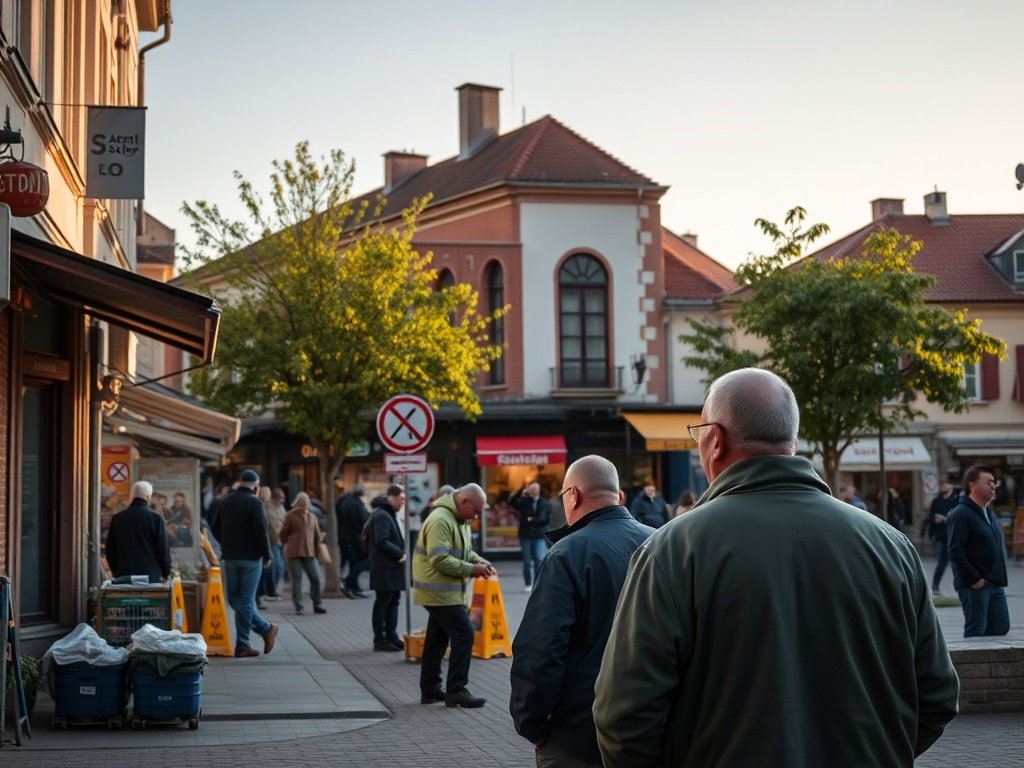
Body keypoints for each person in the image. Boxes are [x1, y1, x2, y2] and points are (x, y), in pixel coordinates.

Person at [593, 368, 959, 767]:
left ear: (715, 440)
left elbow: (624, 718)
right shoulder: (892, 547)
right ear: (794, 443)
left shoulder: (670, 551)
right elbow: (937, 696)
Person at [510, 456, 654, 766]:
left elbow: (541, 650)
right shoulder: (661, 543)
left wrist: (531, 725)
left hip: (578, 736)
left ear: (573, 495)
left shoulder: (566, 554)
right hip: (651, 729)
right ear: (619, 497)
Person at [413, 483, 496, 708]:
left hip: (443, 591)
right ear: (464, 502)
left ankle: (430, 688)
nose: (477, 516)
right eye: (476, 510)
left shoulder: (460, 519)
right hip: (439, 591)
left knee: (437, 638)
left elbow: (464, 552)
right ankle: (456, 690)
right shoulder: (441, 519)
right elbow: (439, 559)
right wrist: (472, 569)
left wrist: (478, 561)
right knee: (465, 633)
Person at [210, 469, 279, 658]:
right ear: (256, 487)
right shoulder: (254, 502)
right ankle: (261, 632)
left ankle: (246, 643)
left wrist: (226, 542)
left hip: (230, 558)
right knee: (246, 600)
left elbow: (214, 527)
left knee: (234, 599)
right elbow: (261, 531)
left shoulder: (226, 500)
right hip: (251, 559)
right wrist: (266, 555)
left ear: (240, 482)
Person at [947, 465, 1010, 637]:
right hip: (975, 585)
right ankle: (968, 664)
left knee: (1000, 627)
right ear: (972, 486)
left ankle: (990, 665)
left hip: (995, 583)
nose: (993, 486)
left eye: (994, 483)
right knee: (976, 632)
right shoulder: (961, 514)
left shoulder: (988, 513)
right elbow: (955, 550)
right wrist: (974, 578)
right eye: (989, 482)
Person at [105, 480, 171, 585]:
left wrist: (116, 572)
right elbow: (162, 549)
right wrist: (166, 572)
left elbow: (110, 550)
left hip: (124, 578)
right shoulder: (156, 518)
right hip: (151, 578)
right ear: (148, 497)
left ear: (132, 497)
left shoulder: (118, 519)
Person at [368, 484, 407, 651]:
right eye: (401, 498)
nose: (403, 502)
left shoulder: (387, 513)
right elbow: (382, 540)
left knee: (393, 601)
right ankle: (380, 639)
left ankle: (391, 636)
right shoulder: (383, 515)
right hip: (385, 567)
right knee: (383, 602)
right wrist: (400, 554)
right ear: (391, 497)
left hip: (390, 567)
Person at [277, 491, 327, 616]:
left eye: (307, 501)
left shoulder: (312, 516)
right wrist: (289, 542)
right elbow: (283, 533)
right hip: (293, 552)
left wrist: (320, 538)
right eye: (303, 501)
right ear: (298, 502)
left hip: (310, 552)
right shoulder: (290, 515)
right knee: (297, 579)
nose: (305, 503)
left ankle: (317, 603)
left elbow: (317, 533)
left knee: (315, 578)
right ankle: (299, 606)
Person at [510, 481, 552, 593]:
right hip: (525, 535)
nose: (534, 492)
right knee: (527, 561)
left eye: (535, 489)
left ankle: (537, 583)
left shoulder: (544, 502)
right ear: (529, 490)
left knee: (539, 559)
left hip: (538, 535)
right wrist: (521, 491)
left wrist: (533, 520)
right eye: (531, 489)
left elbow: (546, 519)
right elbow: (513, 502)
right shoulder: (524, 501)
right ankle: (528, 583)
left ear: (539, 490)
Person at [337, 484, 370, 599]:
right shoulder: (357, 504)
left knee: (353, 562)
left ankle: (355, 588)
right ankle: (348, 581)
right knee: (363, 560)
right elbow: (362, 521)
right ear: (361, 493)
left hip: (345, 537)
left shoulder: (344, 502)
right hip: (355, 538)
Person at [927, 482, 958, 596]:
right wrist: (934, 522)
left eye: (947, 485)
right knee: (942, 561)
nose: (944, 488)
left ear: (951, 487)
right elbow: (930, 516)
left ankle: (960, 585)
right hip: (940, 536)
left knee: (956, 561)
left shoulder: (955, 501)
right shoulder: (936, 501)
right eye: (943, 486)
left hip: (952, 535)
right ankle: (935, 586)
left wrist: (945, 519)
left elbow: (957, 517)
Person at [257, 486, 286, 603]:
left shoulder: (281, 508)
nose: (281, 502)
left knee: (279, 566)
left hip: (280, 540)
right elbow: (269, 526)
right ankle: (269, 590)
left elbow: (284, 521)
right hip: (272, 540)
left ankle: (271, 588)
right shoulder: (266, 508)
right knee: (275, 565)